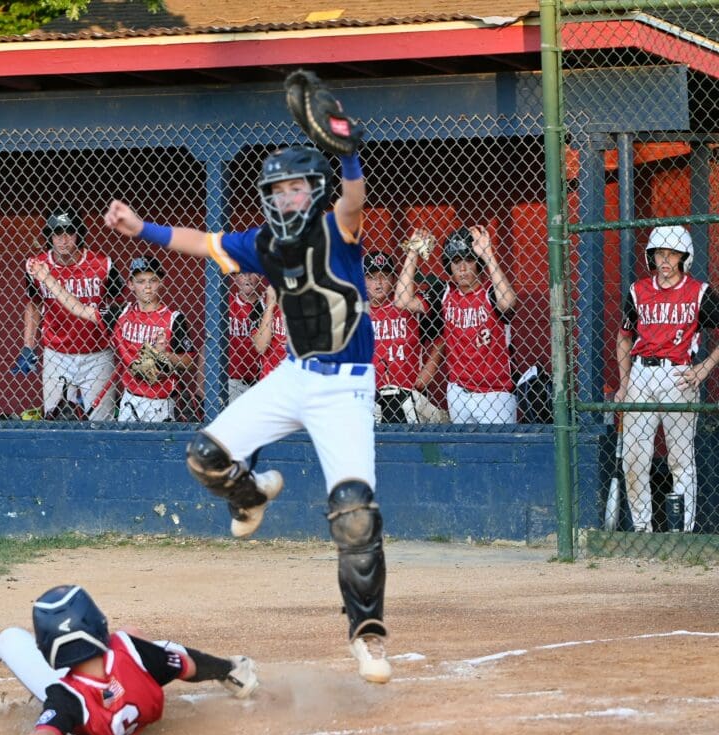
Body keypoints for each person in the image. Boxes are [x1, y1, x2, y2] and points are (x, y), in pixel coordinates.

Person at [105, 141, 393, 684]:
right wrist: (142, 228)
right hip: (294, 375)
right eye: (277, 191)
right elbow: (204, 242)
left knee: (355, 512)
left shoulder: (338, 228)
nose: (286, 198)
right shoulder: (265, 243)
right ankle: (251, 494)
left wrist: (348, 151)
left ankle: (367, 636)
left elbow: (354, 197)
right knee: (205, 455)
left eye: (296, 187)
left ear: (315, 191)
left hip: (346, 390)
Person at [0, 584, 259, 735]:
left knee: (8, 638)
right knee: (134, 635)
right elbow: (190, 667)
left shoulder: (64, 696)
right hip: (139, 690)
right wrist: (223, 668)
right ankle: (234, 672)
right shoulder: (132, 651)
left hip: (89, 706)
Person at [615, 226, 719, 533]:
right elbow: (623, 338)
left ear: (684, 258)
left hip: (679, 374)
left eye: (672, 254)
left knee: (681, 458)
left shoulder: (700, 292)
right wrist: (624, 382)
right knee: (634, 458)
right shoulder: (638, 290)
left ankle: (682, 533)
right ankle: (643, 530)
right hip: (642, 374)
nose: (664, 259)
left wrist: (704, 368)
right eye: (660, 253)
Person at [27, 255, 195, 422]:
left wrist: (165, 356)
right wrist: (47, 278)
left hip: (161, 401)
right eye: (141, 281)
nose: (148, 287)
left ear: (161, 282)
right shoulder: (121, 314)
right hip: (129, 399)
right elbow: (79, 309)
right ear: (130, 284)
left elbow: (188, 361)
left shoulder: (174, 318)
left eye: (153, 280)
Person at [13, 206, 124, 421]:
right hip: (57, 352)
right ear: (49, 236)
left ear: (79, 234)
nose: (63, 240)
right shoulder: (36, 266)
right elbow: (34, 304)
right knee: (54, 417)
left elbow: (118, 306)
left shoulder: (103, 265)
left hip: (97, 353)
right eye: (57, 233)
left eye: (69, 232)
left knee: (102, 420)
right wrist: (28, 345)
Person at [418, 226, 518, 424]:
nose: (462, 268)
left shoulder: (490, 293)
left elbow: (508, 302)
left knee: (500, 451)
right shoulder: (445, 294)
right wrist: (414, 252)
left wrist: (488, 254)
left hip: (496, 393)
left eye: (468, 260)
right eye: (456, 262)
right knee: (462, 450)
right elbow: (403, 301)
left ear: (477, 264)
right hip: (458, 391)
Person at [366, 247, 446, 423]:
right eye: (372, 277)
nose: (379, 281)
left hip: (409, 396)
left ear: (394, 279)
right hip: (371, 398)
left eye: (385, 275)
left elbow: (441, 336)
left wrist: (427, 372)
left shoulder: (410, 308)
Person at [227, 271, 263, 403]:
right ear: (234, 276)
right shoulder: (225, 304)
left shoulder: (268, 304)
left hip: (261, 381)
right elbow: (208, 343)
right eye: (242, 273)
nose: (247, 277)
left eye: (252, 272)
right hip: (232, 381)